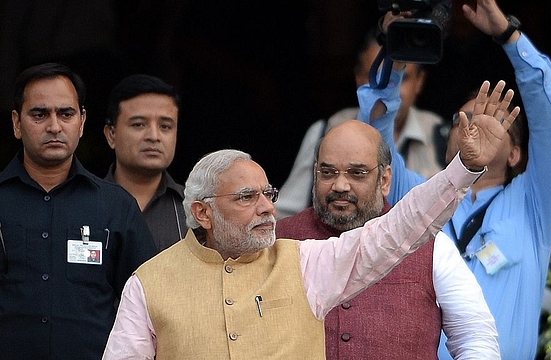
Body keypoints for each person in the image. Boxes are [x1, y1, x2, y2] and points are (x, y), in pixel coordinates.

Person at [101, 79, 520, 359]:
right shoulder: (149, 283)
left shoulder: (302, 260)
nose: (267, 207)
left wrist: (463, 168)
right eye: (247, 197)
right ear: (202, 212)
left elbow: (399, 229)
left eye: (269, 194)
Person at [276, 118, 499, 359]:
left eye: (357, 173)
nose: (340, 185)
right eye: (328, 172)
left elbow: (475, 336)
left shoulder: (432, 247)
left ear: (384, 180)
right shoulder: (279, 242)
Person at [436, 1, 551, 359]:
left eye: (494, 120)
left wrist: (509, 36)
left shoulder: (535, 203)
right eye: (462, 118)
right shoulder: (419, 196)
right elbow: (376, 152)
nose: (474, 127)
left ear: (515, 154)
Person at [0, 62, 157, 359]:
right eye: (39, 114)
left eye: (66, 113)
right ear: (17, 123)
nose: (54, 126)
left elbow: (148, 303)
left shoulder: (116, 206)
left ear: (82, 122)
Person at [275, 28, 446, 219]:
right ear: (358, 78)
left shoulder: (442, 135)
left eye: (401, 78)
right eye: (377, 78)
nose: (389, 89)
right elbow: (284, 215)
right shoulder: (325, 131)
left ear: (419, 82)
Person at [103, 74, 187, 251]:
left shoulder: (195, 210)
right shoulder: (84, 205)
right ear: (111, 134)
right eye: (139, 125)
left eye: (165, 126)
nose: (154, 136)